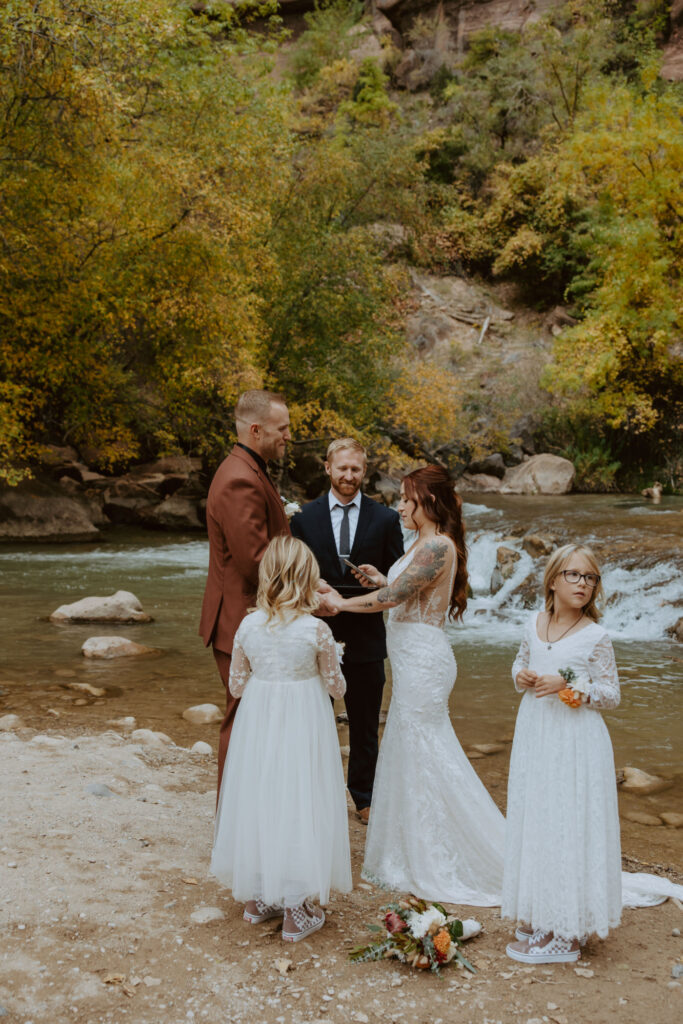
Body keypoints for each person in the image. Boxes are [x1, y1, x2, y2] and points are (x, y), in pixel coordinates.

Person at [326, 464, 505, 904]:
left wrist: (340, 603)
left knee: (426, 749)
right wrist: (385, 577)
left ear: (429, 502)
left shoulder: (439, 546)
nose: (400, 506)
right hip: (412, 658)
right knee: (411, 749)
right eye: (401, 498)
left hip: (424, 661)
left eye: (407, 499)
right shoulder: (422, 545)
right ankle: (417, 847)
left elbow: (392, 600)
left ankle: (442, 854)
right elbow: (401, 590)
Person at [210, 536, 352, 942]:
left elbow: (236, 686)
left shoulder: (248, 625)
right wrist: (335, 658)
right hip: (303, 721)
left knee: (262, 797)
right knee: (299, 800)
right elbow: (337, 689)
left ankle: (258, 899)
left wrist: (267, 678)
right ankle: (295, 908)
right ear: (308, 579)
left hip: (259, 720)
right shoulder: (317, 630)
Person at [502, 545, 622, 964]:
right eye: (574, 575)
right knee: (539, 818)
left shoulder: (596, 635)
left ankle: (565, 934)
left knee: (567, 823)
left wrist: (569, 687)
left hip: (575, 741)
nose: (583, 585)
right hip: (536, 732)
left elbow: (611, 695)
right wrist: (523, 675)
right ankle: (543, 911)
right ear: (553, 580)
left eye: (590, 578)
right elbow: (519, 663)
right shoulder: (533, 623)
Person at [290, 439, 404, 823]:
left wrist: (379, 582)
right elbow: (292, 577)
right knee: (313, 717)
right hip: (314, 633)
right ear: (327, 468)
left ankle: (365, 797)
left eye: (356, 469)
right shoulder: (303, 518)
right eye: (342, 468)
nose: (349, 476)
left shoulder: (386, 519)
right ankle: (314, 793)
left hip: (367, 636)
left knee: (366, 723)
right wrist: (313, 593)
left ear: (364, 470)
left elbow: (397, 581)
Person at [198, 389, 291, 795]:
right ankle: (233, 822)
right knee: (243, 718)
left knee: (254, 718)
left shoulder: (249, 468)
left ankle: (251, 816)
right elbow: (255, 560)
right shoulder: (239, 478)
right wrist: (307, 588)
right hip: (240, 619)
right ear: (256, 430)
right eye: (282, 429)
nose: (289, 436)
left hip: (247, 616)